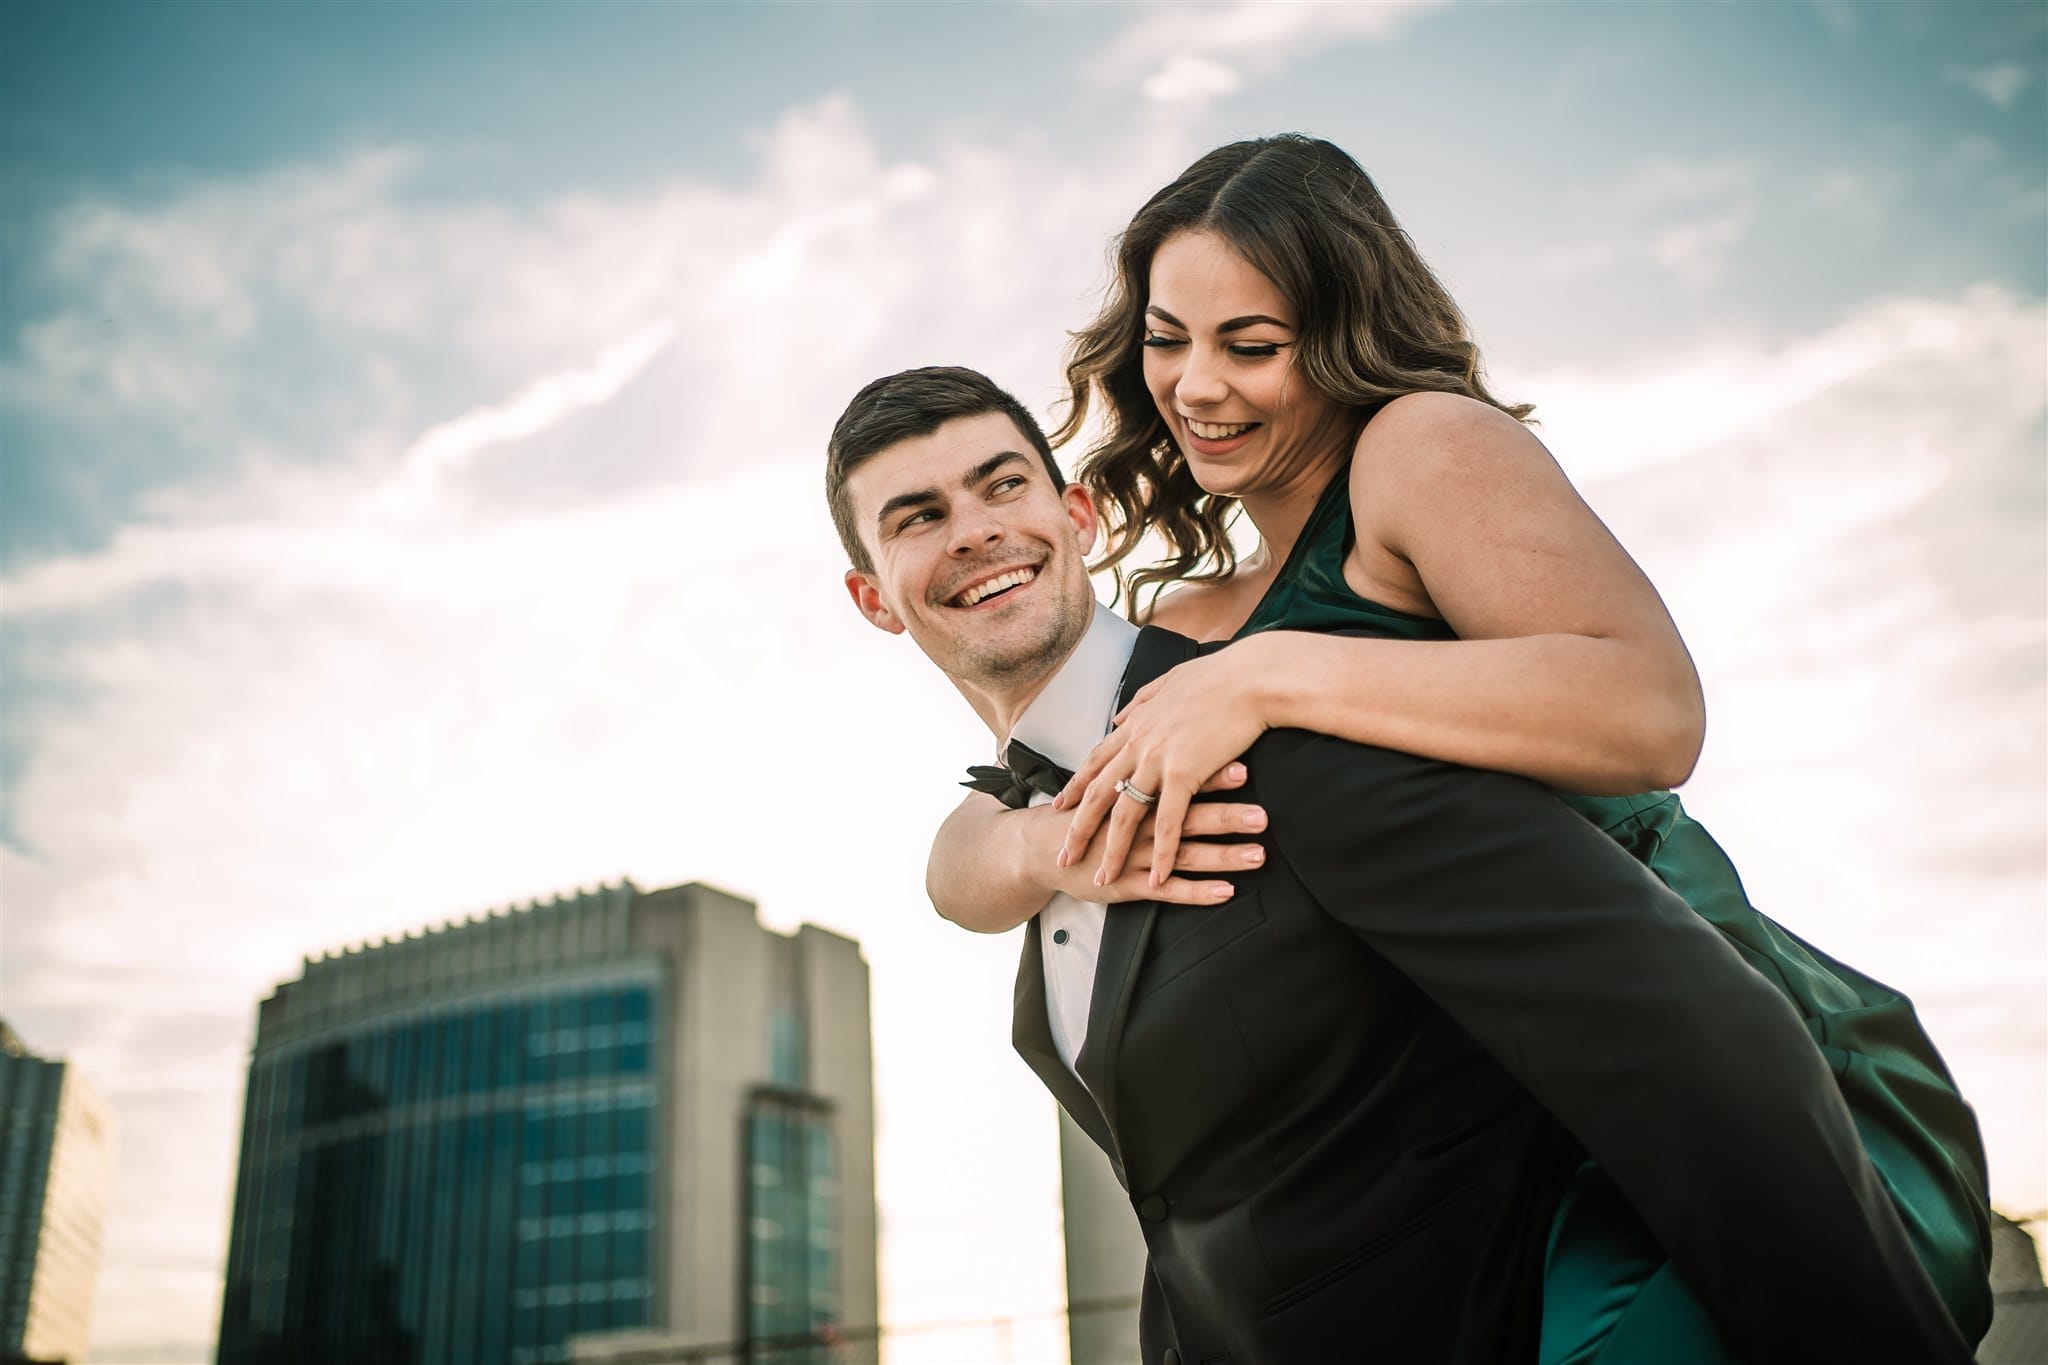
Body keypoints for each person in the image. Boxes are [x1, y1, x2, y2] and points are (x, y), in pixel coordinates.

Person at [923, 136, 1993, 1360]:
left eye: (1250, 345)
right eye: (1168, 339)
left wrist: (1279, 671)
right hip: (1469, 1158)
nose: (1196, 385)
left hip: (1677, 1094)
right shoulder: (1196, 618)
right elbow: (1006, 803)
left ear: (1336, 337)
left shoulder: (1417, 450)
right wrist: (1006, 842)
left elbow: (1649, 712)